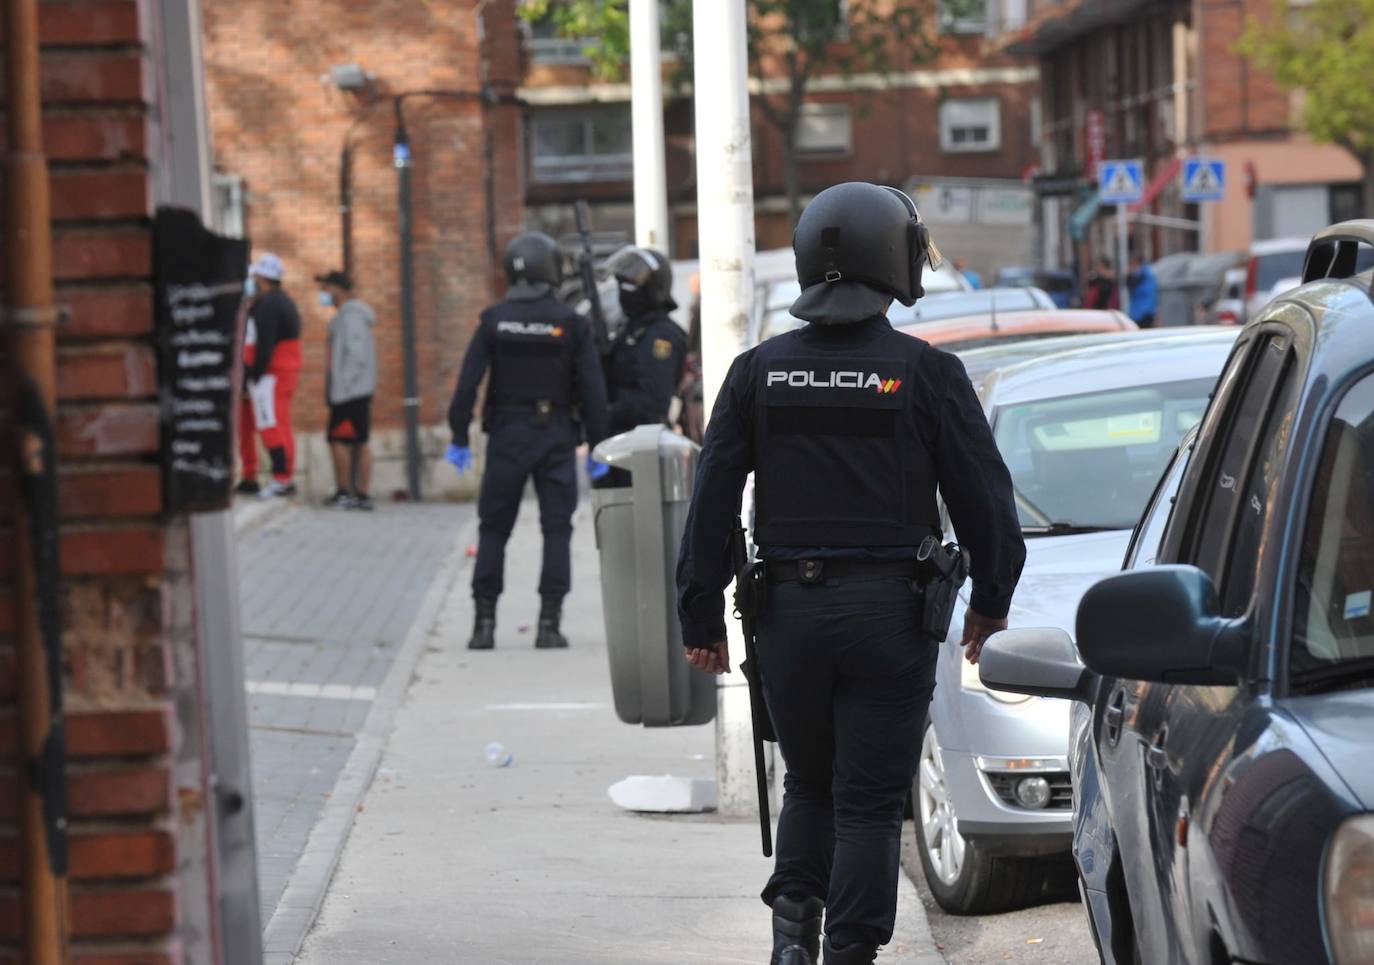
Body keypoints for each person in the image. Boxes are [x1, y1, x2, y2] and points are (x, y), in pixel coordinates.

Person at [676, 182, 1025, 965]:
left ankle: (793, 935)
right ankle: (850, 954)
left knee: (808, 781)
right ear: (892, 261)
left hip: (786, 618)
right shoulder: (927, 374)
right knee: (868, 804)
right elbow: (984, 498)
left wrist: (698, 613)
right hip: (889, 618)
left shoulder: (756, 372)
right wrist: (991, 600)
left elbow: (711, 498)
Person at [446, 232, 609, 651]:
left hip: (506, 434)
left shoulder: (493, 319)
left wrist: (459, 433)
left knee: (493, 528)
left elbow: (467, 383)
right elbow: (592, 389)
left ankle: (483, 626)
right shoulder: (571, 323)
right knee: (556, 529)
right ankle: (548, 625)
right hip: (554, 434)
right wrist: (598, 444)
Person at [593, 245, 688, 488]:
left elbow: (653, 401)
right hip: (617, 441)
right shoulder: (630, 328)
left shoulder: (662, 336)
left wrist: (607, 411)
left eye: (633, 282)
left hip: (641, 446)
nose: (625, 290)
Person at [244, 253, 303, 499]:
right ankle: (286, 476)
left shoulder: (269, 304)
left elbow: (265, 344)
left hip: (273, 373)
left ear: (263, 278)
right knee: (283, 424)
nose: (253, 281)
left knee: (269, 423)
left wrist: (255, 375)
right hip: (286, 370)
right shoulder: (283, 301)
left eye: (255, 276)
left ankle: (281, 479)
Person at [317, 270, 378, 510]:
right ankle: (358, 494)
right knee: (356, 439)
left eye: (326, 289)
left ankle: (349, 493)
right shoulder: (345, 316)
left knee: (340, 440)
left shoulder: (351, 317)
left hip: (350, 392)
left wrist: (342, 386)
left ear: (339, 290)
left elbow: (356, 355)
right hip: (353, 390)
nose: (323, 294)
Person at [1127, 252, 1158, 327]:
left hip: (1142, 312)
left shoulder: (1142, 275)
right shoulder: (1147, 273)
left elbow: (1135, 287)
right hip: (1144, 310)